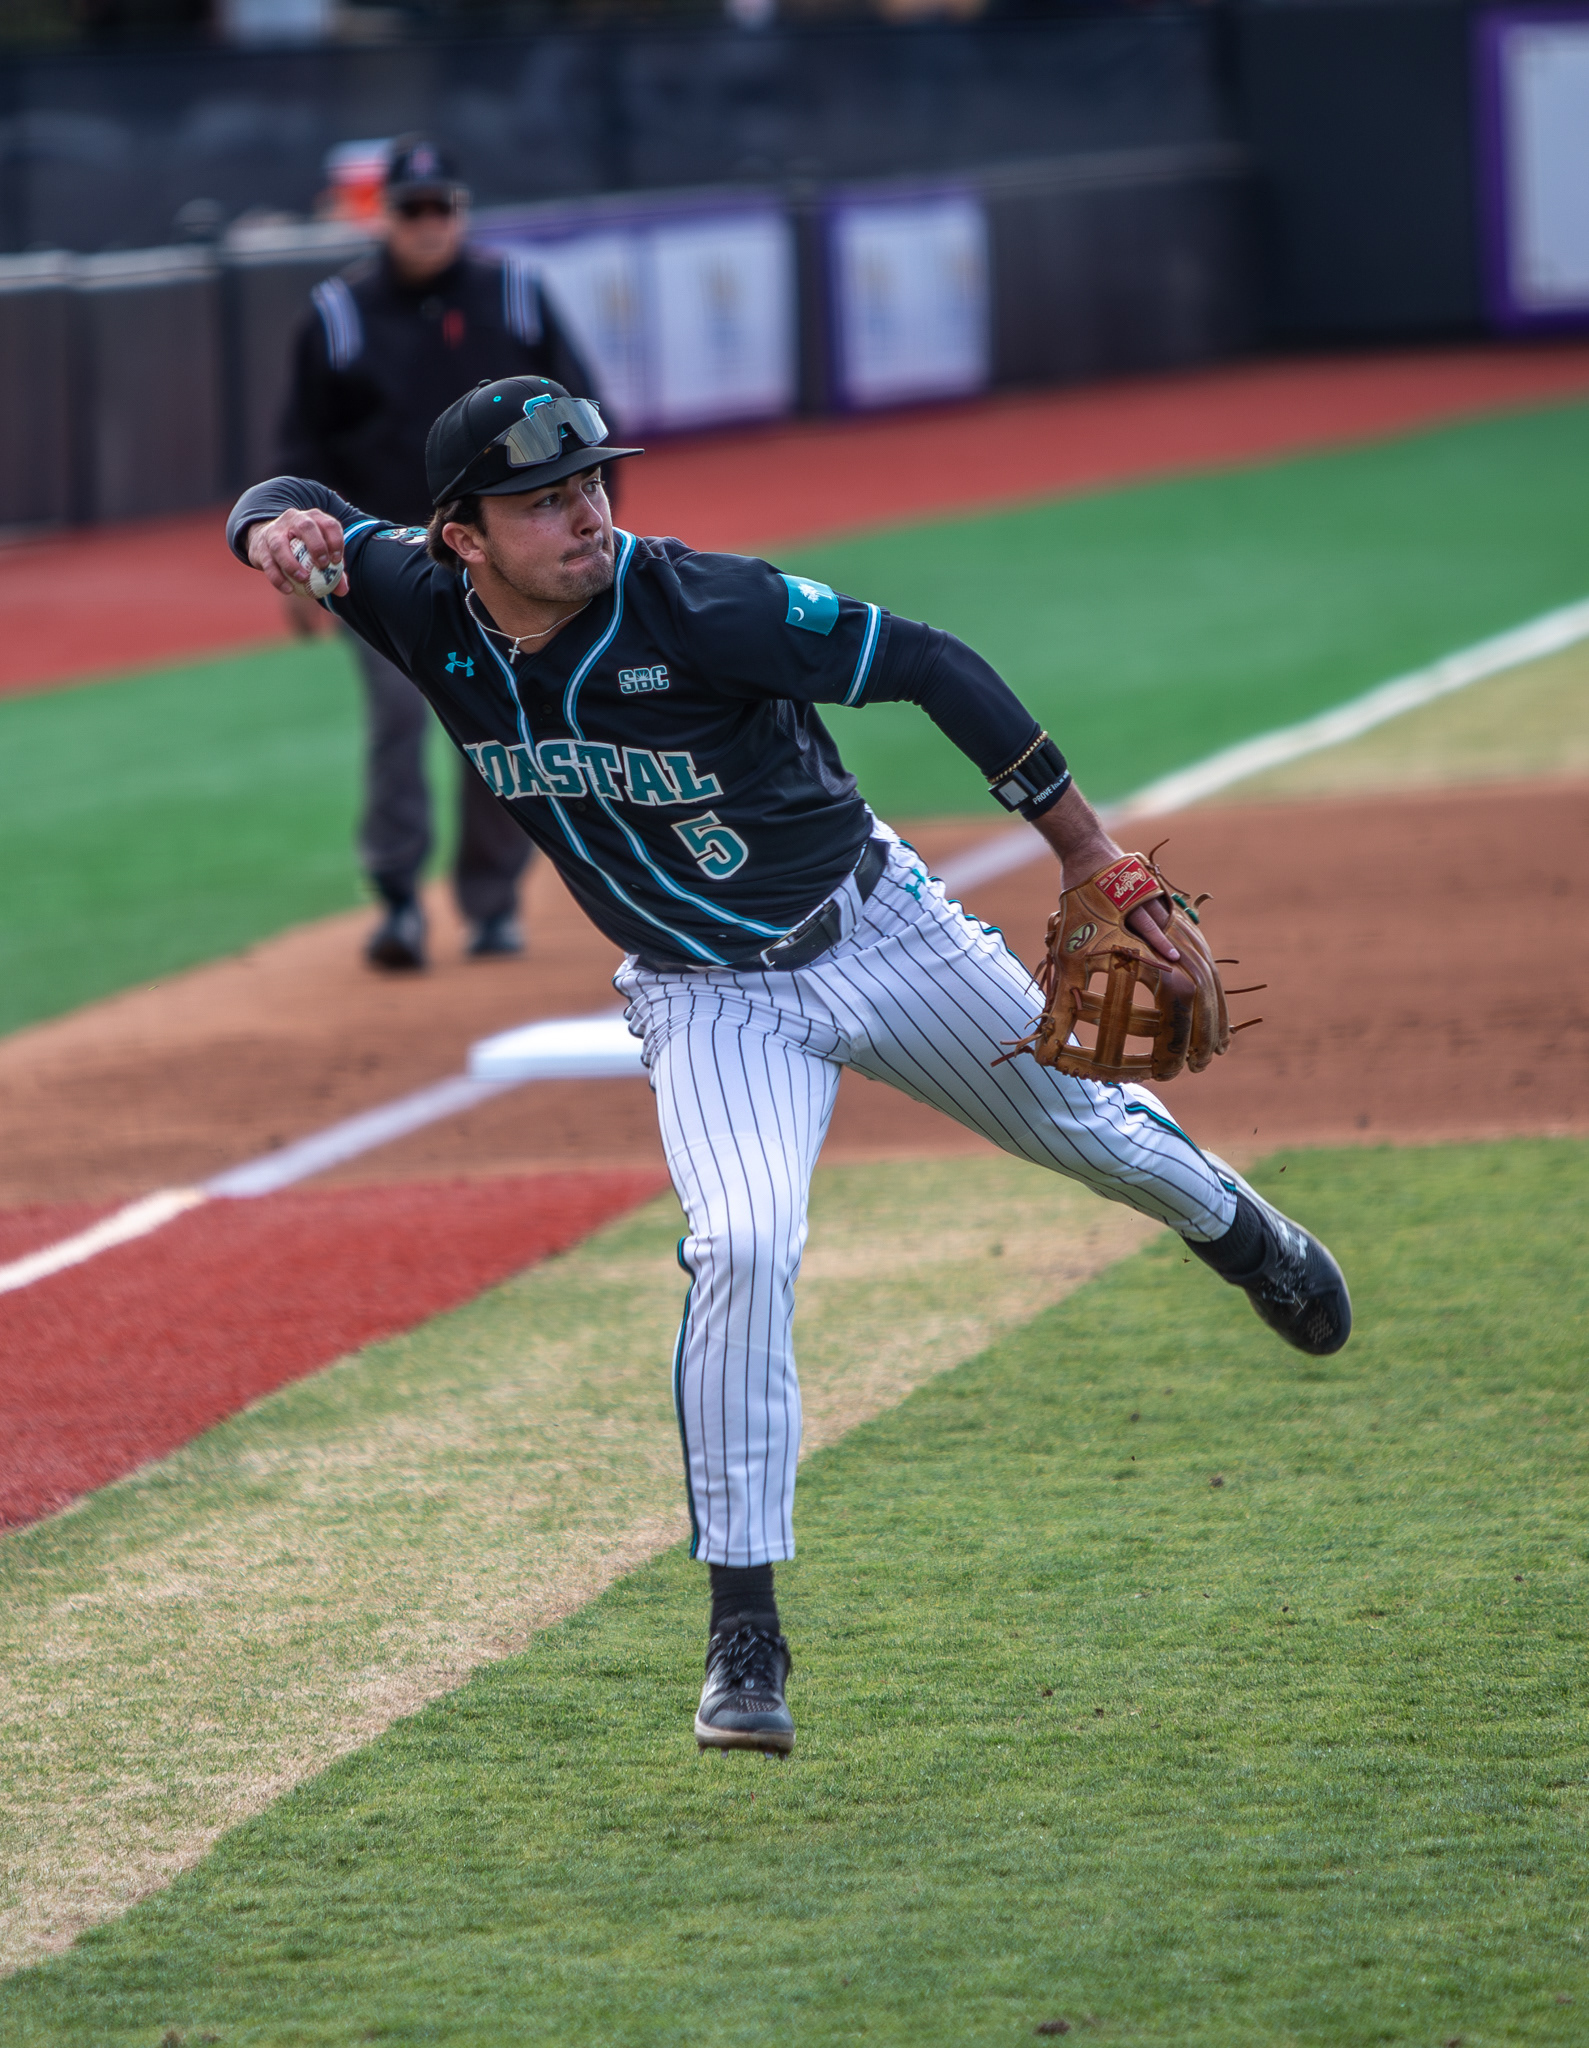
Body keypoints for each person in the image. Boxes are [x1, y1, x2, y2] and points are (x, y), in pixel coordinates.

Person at [229, 374, 1352, 1757]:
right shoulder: (411, 598)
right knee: (742, 1246)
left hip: (878, 931)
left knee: (1099, 1136)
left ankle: (1240, 1230)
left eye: (590, 484)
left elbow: (929, 660)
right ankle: (743, 1631)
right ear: (462, 536)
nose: (586, 515)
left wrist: (1086, 854)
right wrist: (266, 531)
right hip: (706, 1000)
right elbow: (286, 503)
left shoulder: (705, 604)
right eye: (544, 502)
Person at [278, 138, 602, 969]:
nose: (428, 223)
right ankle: (398, 900)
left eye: (442, 207)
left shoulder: (515, 294)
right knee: (397, 720)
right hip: (378, 556)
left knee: (499, 719)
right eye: (411, 209)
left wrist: (587, 533)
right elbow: (302, 443)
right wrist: (296, 565)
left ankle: (491, 904)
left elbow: (578, 413)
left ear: (461, 212)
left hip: (505, 553)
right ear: (384, 216)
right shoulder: (338, 312)